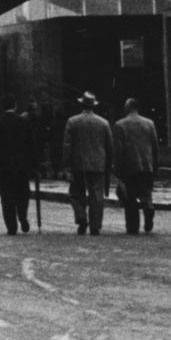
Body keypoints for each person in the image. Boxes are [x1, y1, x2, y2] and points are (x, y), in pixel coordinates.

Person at [63, 92, 115, 236]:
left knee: (76, 193)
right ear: (94, 106)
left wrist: (67, 166)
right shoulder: (103, 123)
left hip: (78, 164)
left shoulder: (72, 121)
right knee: (96, 195)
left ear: (81, 105)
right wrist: (108, 165)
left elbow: (67, 145)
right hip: (98, 163)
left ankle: (81, 217)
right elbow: (110, 146)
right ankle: (95, 226)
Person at [0, 95, 36, 235]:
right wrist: (34, 164)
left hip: (3, 166)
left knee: (6, 196)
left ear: (2, 107)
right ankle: (22, 215)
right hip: (21, 165)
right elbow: (31, 145)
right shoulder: (24, 122)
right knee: (23, 192)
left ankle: (11, 226)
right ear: (15, 106)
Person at [113, 98, 160, 235]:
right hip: (146, 166)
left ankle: (133, 227)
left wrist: (117, 168)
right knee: (145, 191)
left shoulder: (120, 125)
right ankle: (148, 207)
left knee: (129, 197)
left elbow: (119, 150)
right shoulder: (149, 123)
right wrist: (155, 166)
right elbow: (155, 147)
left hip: (129, 167)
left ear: (127, 108)